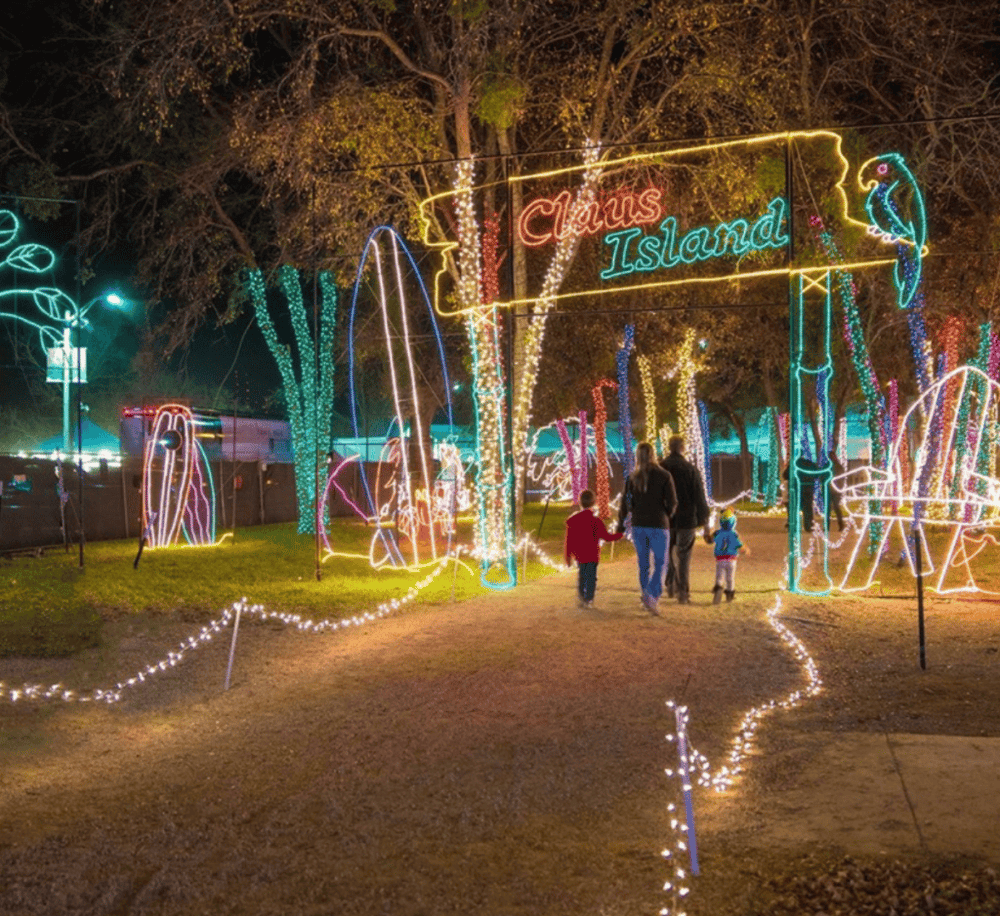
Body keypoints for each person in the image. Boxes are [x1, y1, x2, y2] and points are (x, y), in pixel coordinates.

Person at [617, 441, 677, 614]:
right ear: (653, 454)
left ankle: (646, 596)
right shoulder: (664, 476)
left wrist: (622, 523)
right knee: (661, 563)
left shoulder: (632, 478)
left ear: (638, 456)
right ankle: (652, 596)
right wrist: (666, 513)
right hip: (659, 524)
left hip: (639, 525)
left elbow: (626, 502)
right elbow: (673, 502)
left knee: (643, 564)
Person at [661, 435, 710, 604]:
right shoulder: (691, 469)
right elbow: (699, 497)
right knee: (684, 556)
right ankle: (683, 592)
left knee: (667, 553)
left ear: (669, 447)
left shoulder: (660, 468)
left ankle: (670, 584)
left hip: (666, 519)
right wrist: (705, 522)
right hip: (687, 519)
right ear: (682, 448)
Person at [564, 489, 623, 608]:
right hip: (592, 554)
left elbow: (569, 541)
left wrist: (568, 557)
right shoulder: (596, 521)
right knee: (591, 577)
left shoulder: (573, 520)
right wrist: (619, 535)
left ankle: (581, 596)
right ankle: (589, 599)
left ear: (580, 502)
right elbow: (606, 537)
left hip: (579, 554)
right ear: (594, 503)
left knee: (582, 574)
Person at [706, 507, 749, 603]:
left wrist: (710, 533)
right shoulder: (734, 534)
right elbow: (740, 545)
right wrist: (745, 550)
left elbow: (709, 540)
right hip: (731, 559)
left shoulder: (717, 533)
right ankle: (730, 593)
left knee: (719, 576)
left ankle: (718, 587)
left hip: (720, 559)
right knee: (730, 578)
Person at [782, 456, 818, 532]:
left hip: (796, 489)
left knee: (793, 508)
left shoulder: (794, 464)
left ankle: (793, 526)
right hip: (808, 488)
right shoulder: (810, 464)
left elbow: (785, 475)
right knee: (808, 508)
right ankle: (808, 526)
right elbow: (816, 474)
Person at [826, 449, 845, 531]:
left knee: (835, 508)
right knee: (828, 509)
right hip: (831, 490)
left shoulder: (837, 466)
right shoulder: (828, 466)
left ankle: (841, 525)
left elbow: (842, 477)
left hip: (836, 490)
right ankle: (827, 526)